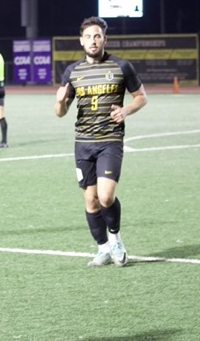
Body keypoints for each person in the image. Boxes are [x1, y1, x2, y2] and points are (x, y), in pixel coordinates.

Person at [54, 16, 147, 267]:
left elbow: (141, 97)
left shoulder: (121, 66)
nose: (93, 41)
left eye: (97, 36)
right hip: (83, 142)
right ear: (81, 41)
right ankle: (103, 248)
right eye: (88, 37)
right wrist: (61, 101)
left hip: (110, 140)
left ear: (104, 39)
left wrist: (126, 110)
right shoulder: (72, 71)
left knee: (106, 197)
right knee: (91, 199)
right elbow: (60, 112)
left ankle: (115, 239)